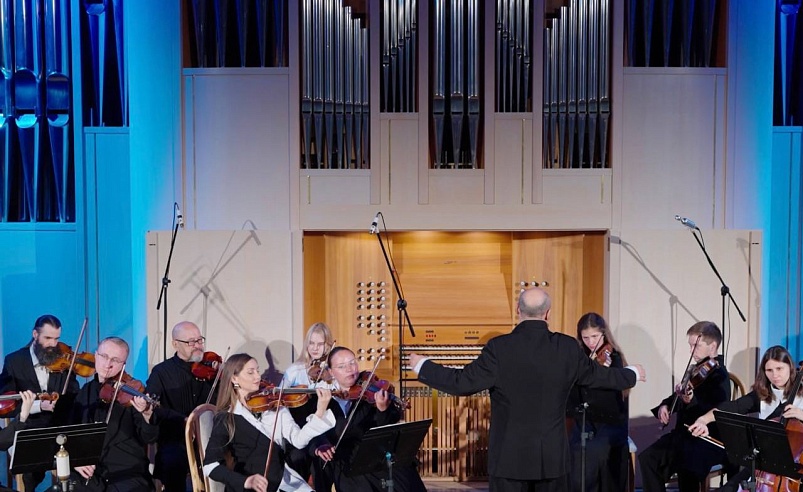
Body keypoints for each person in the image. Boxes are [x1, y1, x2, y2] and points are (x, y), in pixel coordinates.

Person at [407, 287, 646, 492]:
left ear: (518, 311)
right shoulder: (566, 348)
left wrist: (422, 365)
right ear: (547, 313)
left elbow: (461, 382)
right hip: (552, 460)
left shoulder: (499, 348)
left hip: (509, 461)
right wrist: (632, 373)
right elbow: (600, 376)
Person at [202, 353, 335, 492]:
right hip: (250, 487)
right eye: (250, 372)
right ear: (234, 378)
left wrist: (320, 411)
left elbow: (299, 441)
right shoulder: (227, 417)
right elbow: (210, 466)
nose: (258, 377)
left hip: (283, 481)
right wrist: (246, 481)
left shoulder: (273, 405)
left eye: (257, 371)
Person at [310, 347, 427, 492]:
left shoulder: (371, 391)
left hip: (376, 457)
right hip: (348, 463)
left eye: (352, 363)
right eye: (341, 366)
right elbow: (309, 431)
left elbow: (392, 419)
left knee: (403, 475)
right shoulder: (323, 399)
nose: (349, 369)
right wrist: (319, 445)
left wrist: (382, 410)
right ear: (331, 372)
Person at [688, 345, 803, 491]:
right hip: (764, 465)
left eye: (779, 369)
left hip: (795, 468)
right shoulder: (762, 394)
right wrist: (703, 420)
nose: (775, 375)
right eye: (769, 370)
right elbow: (732, 407)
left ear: (790, 368)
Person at [638, 321, 730, 492]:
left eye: (696, 346)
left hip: (706, 439)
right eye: (690, 345)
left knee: (687, 463)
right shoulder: (697, 370)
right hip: (683, 435)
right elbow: (678, 396)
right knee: (647, 458)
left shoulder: (720, 374)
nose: (691, 351)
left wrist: (691, 400)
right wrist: (665, 406)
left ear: (712, 346)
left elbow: (718, 409)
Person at [67, 336, 159, 491]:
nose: (108, 364)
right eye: (104, 356)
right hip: (91, 475)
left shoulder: (133, 392)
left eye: (115, 360)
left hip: (127, 473)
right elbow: (70, 434)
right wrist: (76, 460)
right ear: (96, 356)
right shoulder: (85, 392)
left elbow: (149, 438)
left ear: (123, 364)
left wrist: (147, 414)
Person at [0, 314, 80, 490]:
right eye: (48, 338)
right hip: (29, 427)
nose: (53, 344)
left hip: (59, 424)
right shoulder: (15, 361)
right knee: (31, 468)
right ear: (35, 335)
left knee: (80, 459)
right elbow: (6, 403)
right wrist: (37, 406)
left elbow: (74, 394)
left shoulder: (63, 359)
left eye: (57, 339)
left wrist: (62, 402)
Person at [146, 321, 217, 492]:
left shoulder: (211, 370)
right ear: (175, 344)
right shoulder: (161, 372)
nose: (198, 346)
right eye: (191, 342)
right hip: (176, 438)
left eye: (199, 340)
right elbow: (155, 408)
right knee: (173, 460)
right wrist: (184, 421)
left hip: (210, 437)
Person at [566, 313, 630, 492]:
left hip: (609, 425)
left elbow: (618, 393)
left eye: (595, 336)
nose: (591, 342)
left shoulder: (614, 358)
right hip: (585, 422)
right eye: (585, 338)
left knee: (595, 453)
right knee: (574, 451)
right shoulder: (580, 359)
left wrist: (604, 375)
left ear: (604, 333)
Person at [281, 322, 336, 389]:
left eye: (320, 344)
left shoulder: (333, 370)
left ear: (328, 345)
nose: (315, 348)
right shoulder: (294, 369)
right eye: (311, 343)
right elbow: (280, 394)